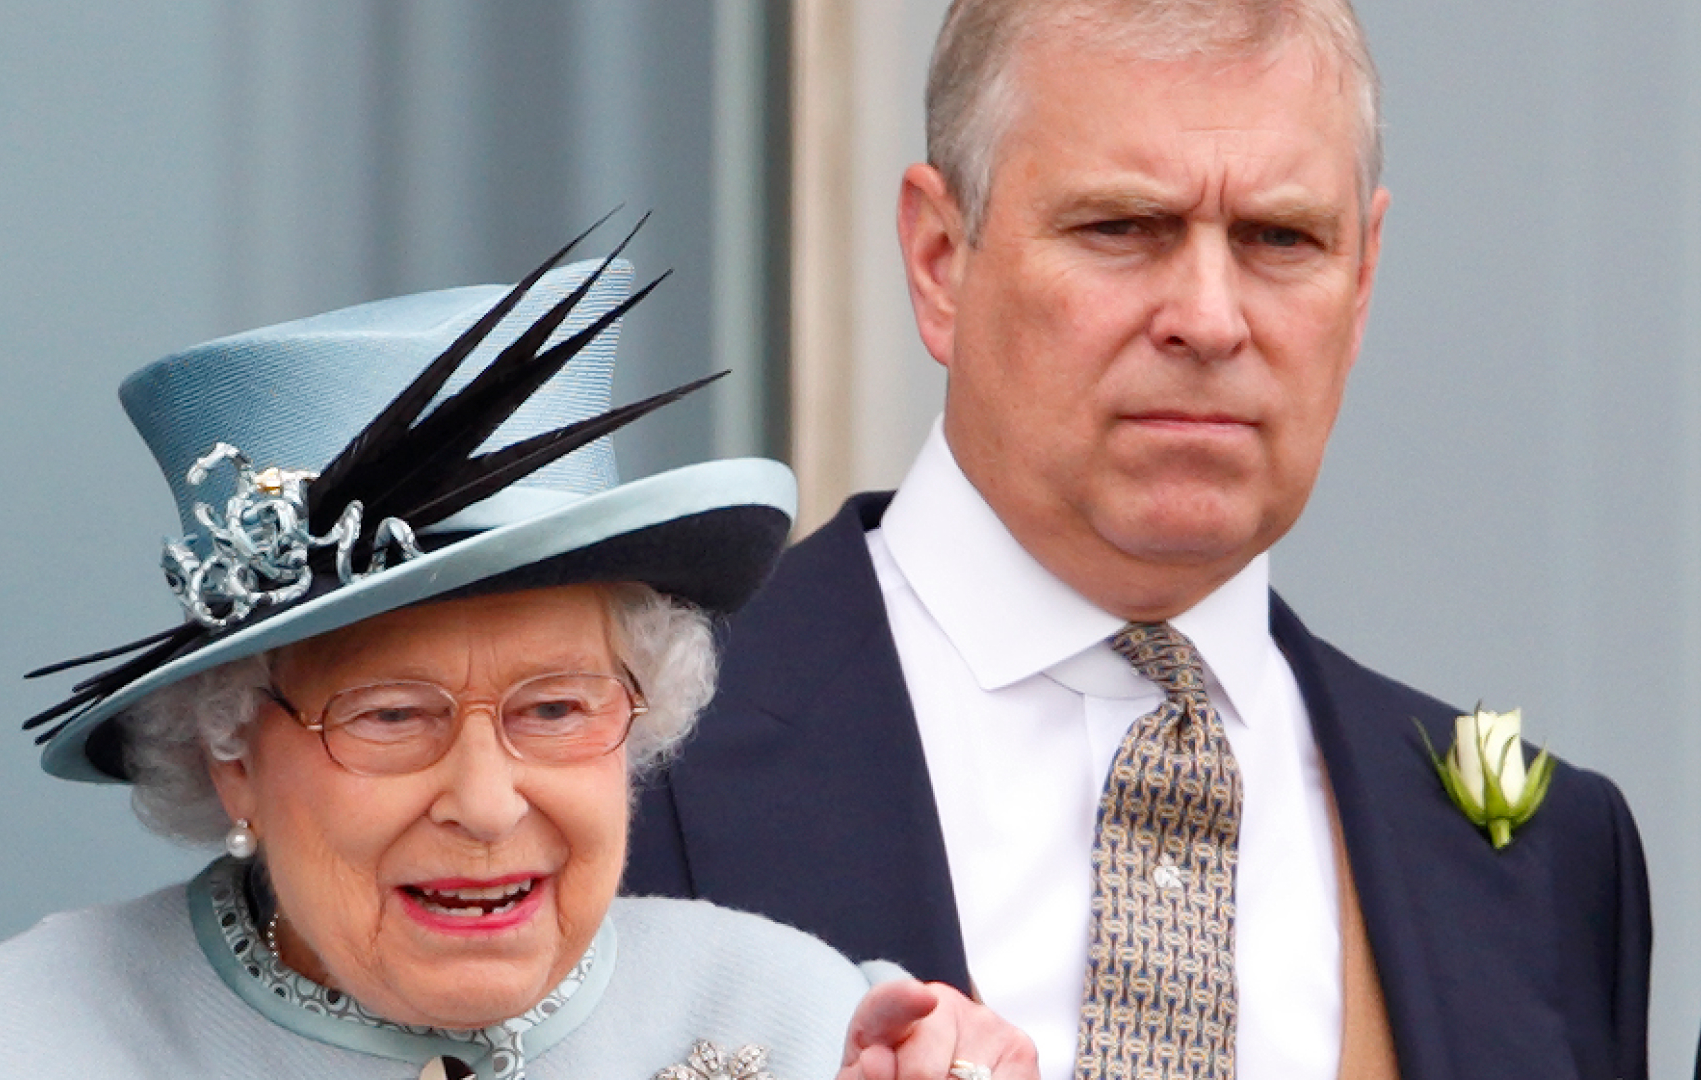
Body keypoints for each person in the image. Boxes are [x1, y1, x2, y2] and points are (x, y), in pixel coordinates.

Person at [624, 3, 1650, 1078]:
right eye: (1122, 228)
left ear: (1362, 280)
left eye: (1280, 238)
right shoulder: (609, 761)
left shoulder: (1556, 871)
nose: (1209, 319)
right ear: (938, 260)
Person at [0, 232, 1040, 1080]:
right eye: (388, 716)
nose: (483, 801)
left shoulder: (810, 1024)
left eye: (558, 709)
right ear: (231, 758)